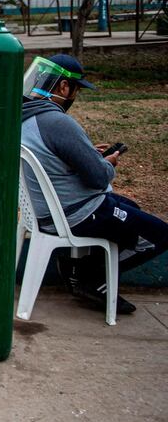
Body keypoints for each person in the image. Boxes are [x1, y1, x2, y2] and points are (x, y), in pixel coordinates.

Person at [21, 54, 168, 314]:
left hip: (44, 212)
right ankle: (91, 277)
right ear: (64, 87)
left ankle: (74, 268)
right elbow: (98, 177)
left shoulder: (23, 117)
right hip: (77, 214)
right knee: (160, 235)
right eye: (75, 89)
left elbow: (56, 160)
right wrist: (108, 162)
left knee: (129, 206)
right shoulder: (58, 122)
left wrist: (89, 155)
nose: (74, 96)